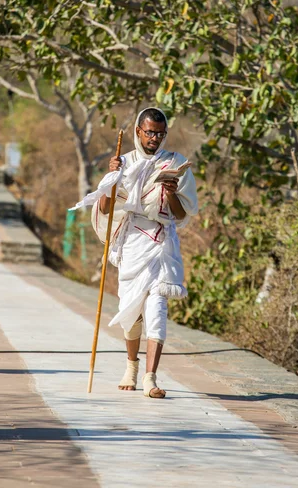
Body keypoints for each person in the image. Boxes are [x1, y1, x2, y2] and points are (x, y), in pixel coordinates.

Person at [89, 108, 198, 398]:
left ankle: (151, 377)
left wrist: (172, 192)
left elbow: (180, 215)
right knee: (131, 310)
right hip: (132, 243)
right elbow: (104, 209)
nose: (155, 138)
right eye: (150, 132)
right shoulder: (123, 163)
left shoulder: (174, 163)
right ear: (138, 131)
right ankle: (131, 367)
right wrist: (111, 181)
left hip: (162, 243)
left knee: (158, 307)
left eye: (161, 134)